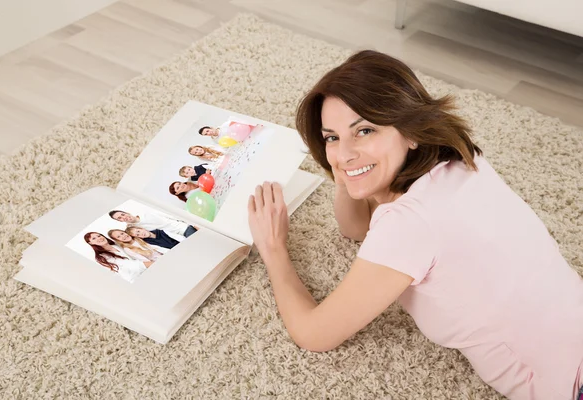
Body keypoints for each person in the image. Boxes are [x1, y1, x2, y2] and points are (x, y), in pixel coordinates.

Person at [247, 50, 583, 400]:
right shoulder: (465, 161)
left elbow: (313, 334)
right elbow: (356, 229)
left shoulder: (409, 225)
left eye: (364, 130)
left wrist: (274, 250)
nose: (343, 151)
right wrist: (349, 169)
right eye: (331, 136)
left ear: (411, 132)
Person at [83, 232, 148, 283]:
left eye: (99, 236)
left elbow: (135, 256)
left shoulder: (116, 245)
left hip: (144, 270)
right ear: (90, 243)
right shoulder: (103, 257)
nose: (99, 238)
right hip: (135, 278)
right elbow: (130, 265)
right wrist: (149, 264)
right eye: (94, 238)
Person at [109, 209, 197, 237]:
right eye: (120, 218)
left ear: (126, 212)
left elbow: (172, 216)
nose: (124, 217)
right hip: (178, 238)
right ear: (120, 221)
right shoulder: (134, 229)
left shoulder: (147, 213)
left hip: (184, 229)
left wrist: (193, 224)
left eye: (122, 214)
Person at [126, 226, 194, 251]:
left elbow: (180, 238)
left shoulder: (161, 231)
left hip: (185, 246)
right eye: (138, 235)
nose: (140, 234)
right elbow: (165, 251)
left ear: (141, 228)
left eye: (138, 231)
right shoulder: (149, 244)